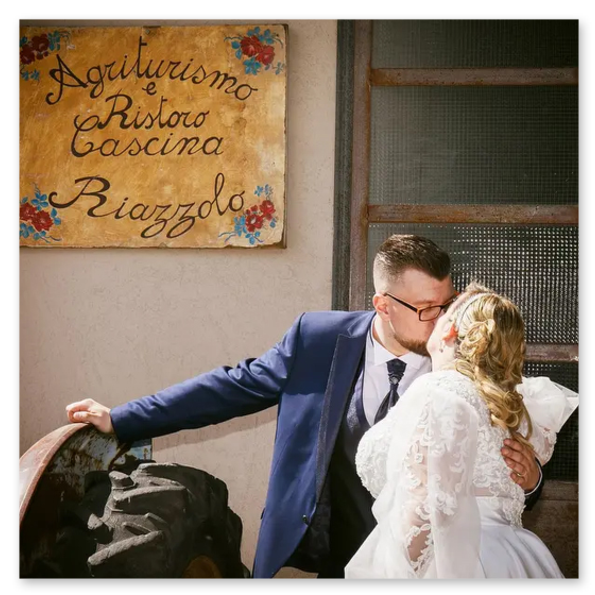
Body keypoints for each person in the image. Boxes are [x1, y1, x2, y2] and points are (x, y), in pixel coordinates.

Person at [65, 234, 544, 579]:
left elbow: (489, 475)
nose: (440, 321)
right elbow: (230, 387)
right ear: (382, 304)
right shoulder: (318, 339)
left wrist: (532, 479)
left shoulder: (466, 364)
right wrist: (122, 418)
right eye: (423, 309)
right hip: (335, 557)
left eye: (445, 303)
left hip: (429, 565)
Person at [345, 283, 579, 579]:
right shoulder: (511, 404)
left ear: (449, 330)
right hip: (510, 557)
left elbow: (425, 506)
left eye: (442, 312)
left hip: (447, 558)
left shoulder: (440, 391)